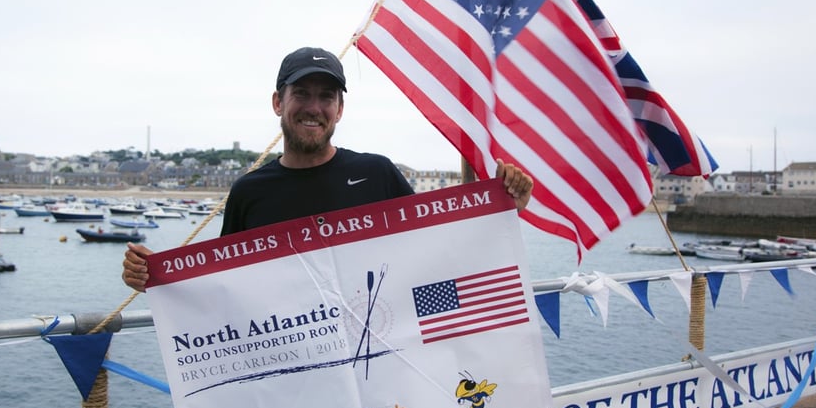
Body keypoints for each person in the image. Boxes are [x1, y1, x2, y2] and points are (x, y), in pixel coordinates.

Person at [121, 46, 533, 292]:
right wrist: (157, 277)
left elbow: (438, 247)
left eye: (327, 96)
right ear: (278, 103)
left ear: (340, 109)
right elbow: (227, 287)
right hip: (296, 376)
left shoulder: (377, 173)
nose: (314, 107)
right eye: (301, 93)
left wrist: (503, 206)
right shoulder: (249, 191)